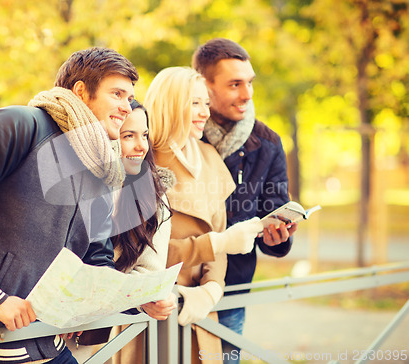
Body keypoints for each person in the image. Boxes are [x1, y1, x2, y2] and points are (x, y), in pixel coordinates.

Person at [0, 47, 139, 364]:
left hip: (48, 343)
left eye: (130, 98)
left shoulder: (102, 165)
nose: (126, 107)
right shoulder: (20, 124)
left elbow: (97, 253)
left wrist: (132, 302)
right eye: (117, 94)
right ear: (81, 91)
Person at [144, 67, 263, 364]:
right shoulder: (142, 160)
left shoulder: (209, 156)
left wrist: (211, 289)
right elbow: (142, 252)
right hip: (153, 312)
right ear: (171, 104)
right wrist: (216, 244)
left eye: (205, 103)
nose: (204, 113)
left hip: (200, 312)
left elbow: (220, 234)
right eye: (194, 103)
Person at [192, 38, 298, 363]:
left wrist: (278, 237)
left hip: (230, 293)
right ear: (204, 86)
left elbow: (274, 211)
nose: (247, 94)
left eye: (249, 82)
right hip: (175, 289)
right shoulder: (179, 134)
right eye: (235, 84)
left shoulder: (267, 143)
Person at [69, 100, 176, 363]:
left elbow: (147, 273)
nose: (141, 146)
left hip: (98, 338)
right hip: (38, 327)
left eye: (145, 135)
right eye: (129, 136)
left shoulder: (155, 201)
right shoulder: (75, 188)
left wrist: (146, 298)